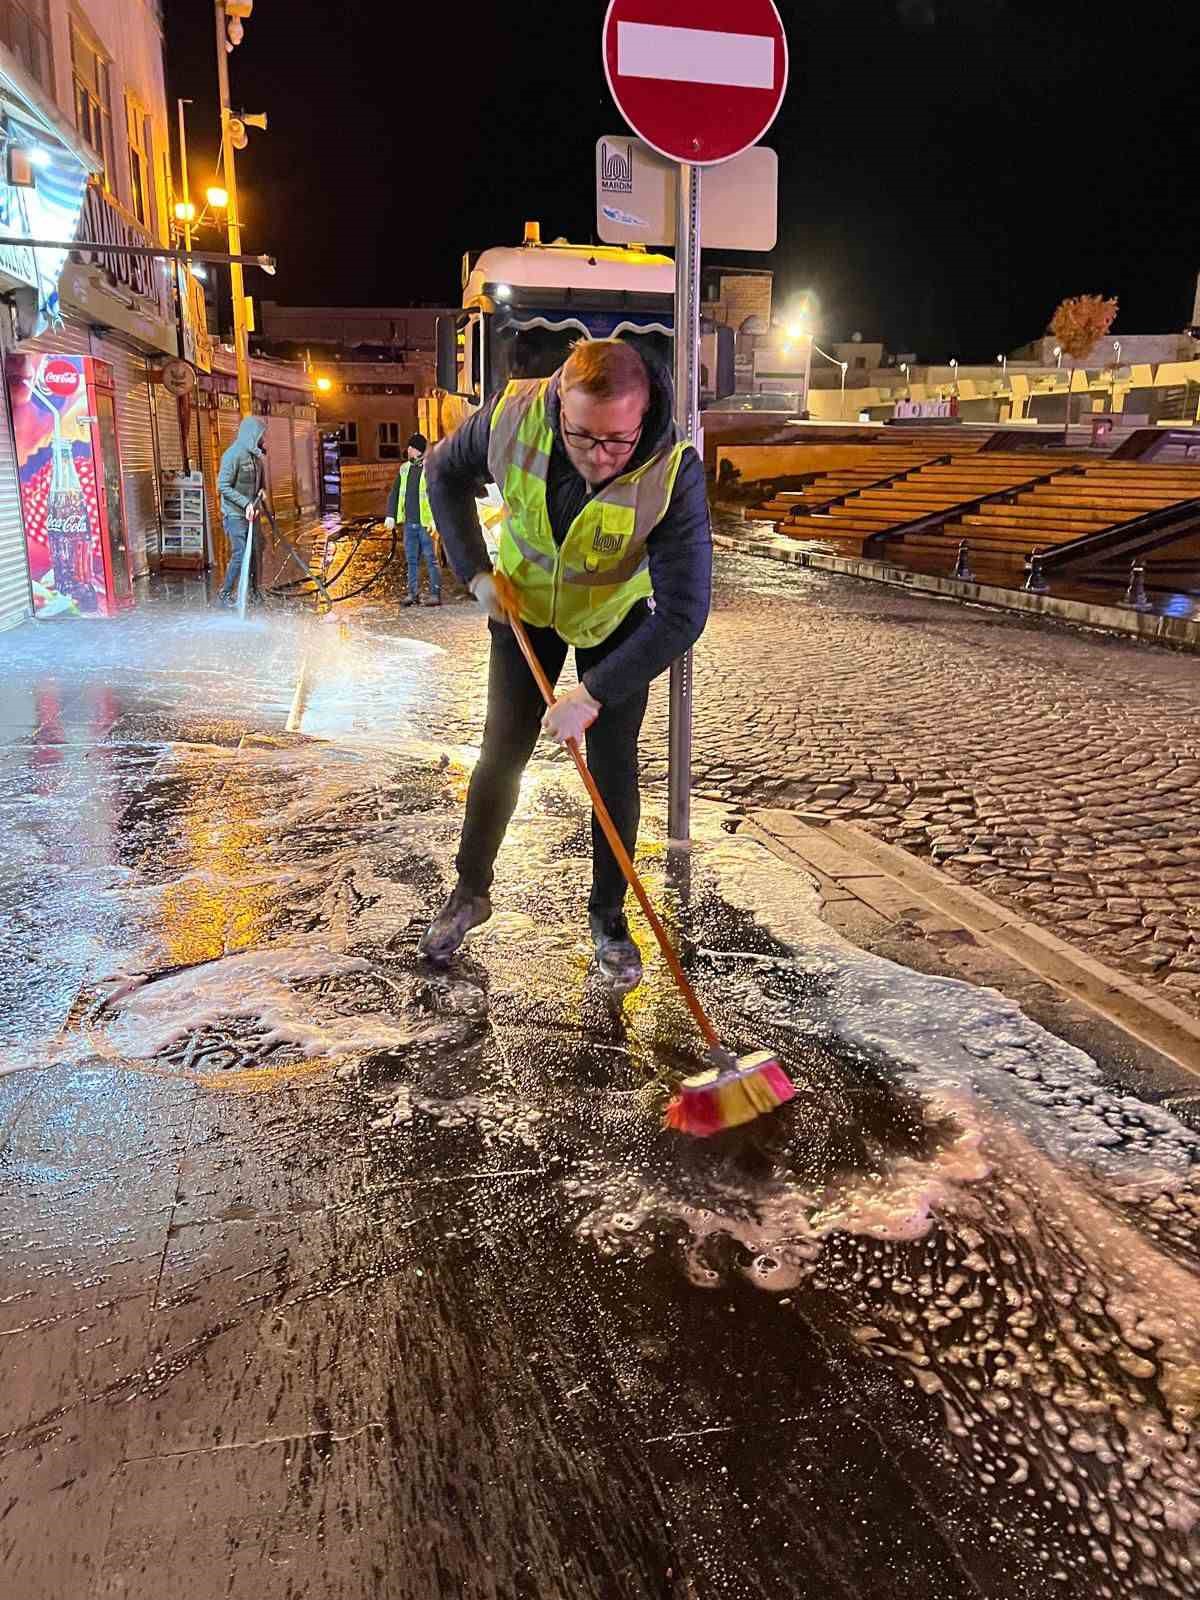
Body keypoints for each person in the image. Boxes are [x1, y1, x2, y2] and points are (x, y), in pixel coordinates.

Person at [421, 338, 712, 990]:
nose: (599, 458)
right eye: (582, 437)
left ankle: (609, 921)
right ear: (558, 403)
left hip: (616, 619)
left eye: (618, 441)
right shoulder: (510, 415)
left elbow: (685, 610)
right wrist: (474, 575)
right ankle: (470, 891)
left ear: (644, 417)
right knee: (501, 752)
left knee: (611, 775)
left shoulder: (673, 470)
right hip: (524, 607)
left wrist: (594, 692)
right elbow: (442, 473)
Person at [384, 432, 441, 607]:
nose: (408, 449)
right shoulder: (404, 469)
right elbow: (394, 493)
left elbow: (436, 496)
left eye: (411, 447)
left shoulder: (430, 470)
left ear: (418, 450)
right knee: (411, 560)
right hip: (409, 524)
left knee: (431, 559)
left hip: (426, 524)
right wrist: (391, 515)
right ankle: (412, 593)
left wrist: (435, 520)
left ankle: (434, 594)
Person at [215, 416, 266, 606]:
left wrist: (262, 493)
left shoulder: (257, 457)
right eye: (260, 435)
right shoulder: (232, 455)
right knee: (241, 552)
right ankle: (225, 593)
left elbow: (261, 485)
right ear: (251, 434)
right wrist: (245, 504)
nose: (263, 439)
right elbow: (223, 486)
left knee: (255, 552)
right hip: (235, 515)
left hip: (252, 514)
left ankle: (253, 591)